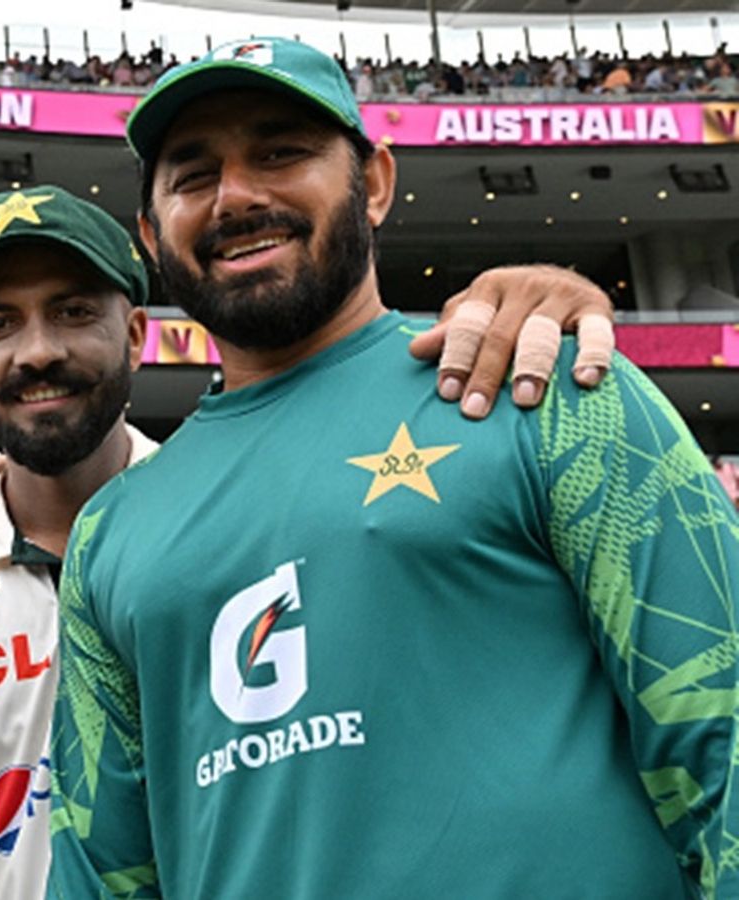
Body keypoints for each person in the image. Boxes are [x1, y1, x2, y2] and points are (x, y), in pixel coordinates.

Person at [48, 37, 739, 898]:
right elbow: (99, 872)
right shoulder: (109, 535)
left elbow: (725, 736)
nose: (236, 196)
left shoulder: (551, 384)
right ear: (153, 236)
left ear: (373, 182)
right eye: (193, 176)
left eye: (280, 152)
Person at [0, 180, 619, 898]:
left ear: (134, 334)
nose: (38, 351)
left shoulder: (235, 522)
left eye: (73, 312)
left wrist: (544, 293)